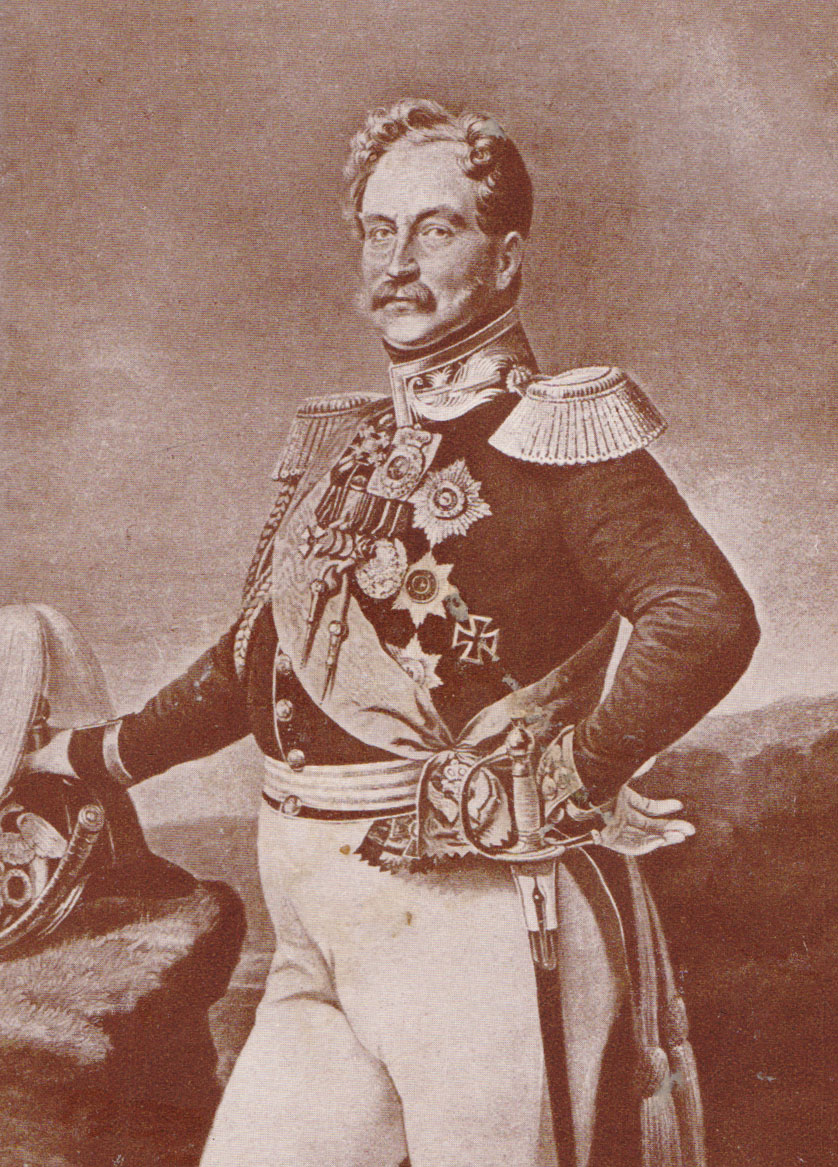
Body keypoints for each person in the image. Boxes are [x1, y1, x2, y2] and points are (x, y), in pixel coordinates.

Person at [24, 98, 760, 1167]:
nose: (398, 264)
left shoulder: (561, 440)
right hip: (312, 930)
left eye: (435, 228)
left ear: (505, 259)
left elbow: (704, 618)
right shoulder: (350, 449)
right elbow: (254, 661)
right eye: (379, 231)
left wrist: (573, 774)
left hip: (475, 920)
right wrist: (86, 756)